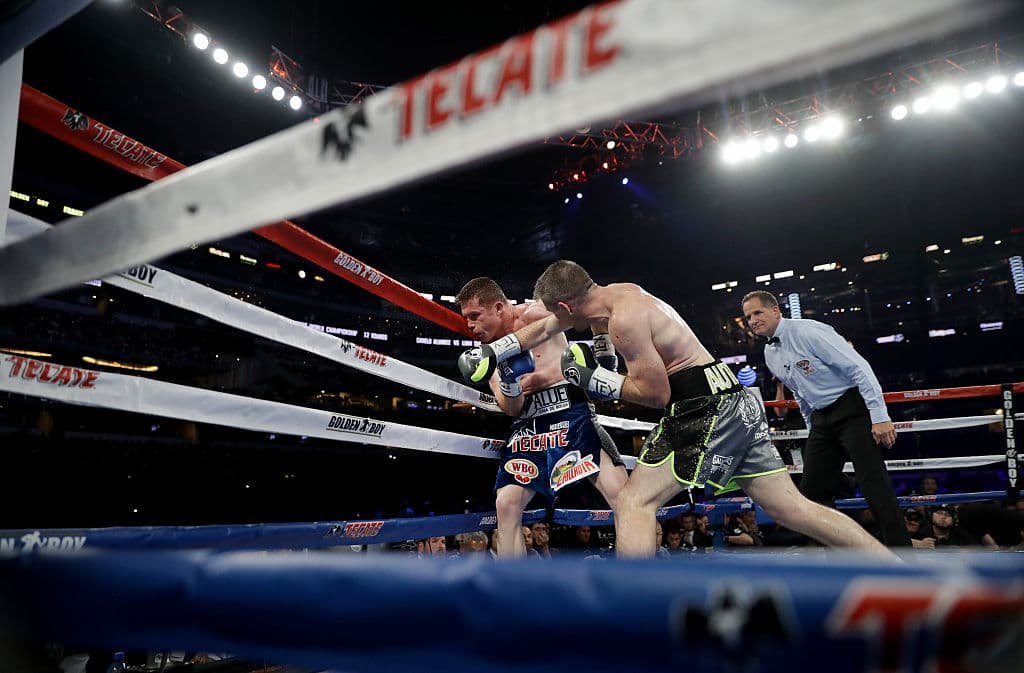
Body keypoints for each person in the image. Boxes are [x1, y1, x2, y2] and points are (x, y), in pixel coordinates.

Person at [463, 261, 892, 557]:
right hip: (730, 399)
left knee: (633, 503)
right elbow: (545, 326)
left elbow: (655, 394)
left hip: (702, 407)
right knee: (792, 509)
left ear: (566, 305)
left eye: (557, 313)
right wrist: (496, 351)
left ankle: (637, 617)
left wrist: (593, 378)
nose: (553, 321)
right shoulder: (618, 293)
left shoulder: (624, 322)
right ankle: (895, 568)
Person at [456, 277, 627, 558]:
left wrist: (603, 352)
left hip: (570, 412)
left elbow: (590, 310)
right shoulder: (486, 356)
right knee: (507, 503)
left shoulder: (536, 312)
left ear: (499, 308)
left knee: (620, 493)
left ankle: (637, 577)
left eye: (475, 316)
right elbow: (511, 408)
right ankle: (513, 587)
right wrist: (510, 379)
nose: (469, 326)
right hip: (528, 426)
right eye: (466, 319)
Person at [741, 290, 911, 548]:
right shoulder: (770, 354)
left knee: (873, 484)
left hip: (851, 409)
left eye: (757, 312)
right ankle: (829, 554)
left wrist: (879, 416)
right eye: (747, 316)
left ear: (776, 311)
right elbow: (800, 391)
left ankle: (900, 553)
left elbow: (859, 368)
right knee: (811, 491)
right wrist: (812, 427)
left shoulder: (809, 332)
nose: (752, 320)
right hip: (822, 420)